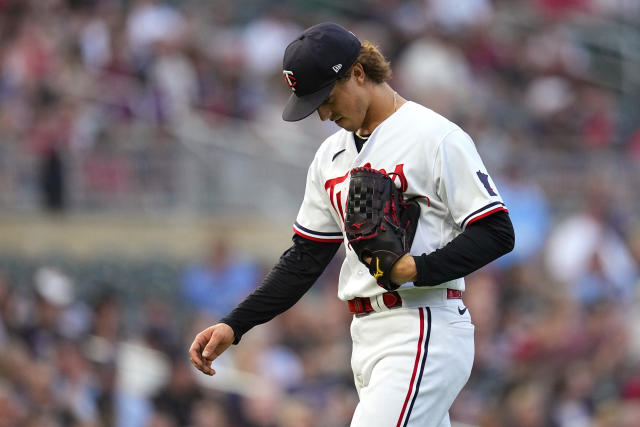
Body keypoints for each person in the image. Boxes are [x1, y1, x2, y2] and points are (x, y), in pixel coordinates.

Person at [190, 22, 515, 426]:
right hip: (365, 337)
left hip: (421, 326)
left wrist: (414, 269)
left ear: (358, 72)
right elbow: (305, 259)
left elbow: (497, 232)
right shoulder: (330, 156)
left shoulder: (435, 137)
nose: (324, 114)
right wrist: (235, 324)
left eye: (326, 97)